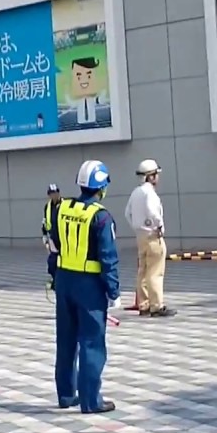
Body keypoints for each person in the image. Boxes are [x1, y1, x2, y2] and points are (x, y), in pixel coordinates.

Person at [47, 160, 119, 414]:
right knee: (91, 342)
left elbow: (54, 244)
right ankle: (91, 401)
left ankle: (66, 395)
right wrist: (114, 291)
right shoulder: (101, 216)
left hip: (65, 280)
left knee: (66, 340)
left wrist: (54, 275)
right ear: (101, 187)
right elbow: (108, 257)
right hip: (89, 286)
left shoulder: (62, 208)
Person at [125, 159, 176, 318]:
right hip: (153, 235)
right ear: (150, 176)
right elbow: (153, 212)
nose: (157, 178)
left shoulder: (135, 192)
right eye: (156, 174)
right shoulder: (150, 193)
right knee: (155, 271)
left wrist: (137, 227)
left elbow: (127, 213)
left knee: (143, 271)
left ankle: (144, 304)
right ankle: (157, 306)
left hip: (140, 236)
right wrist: (159, 226)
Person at [42, 183, 64, 291]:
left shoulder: (65, 205)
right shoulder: (48, 207)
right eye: (52, 193)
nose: (54, 195)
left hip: (64, 237)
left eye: (56, 192)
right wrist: (45, 238)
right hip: (53, 238)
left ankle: (61, 282)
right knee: (52, 262)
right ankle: (55, 280)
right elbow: (45, 222)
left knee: (63, 261)